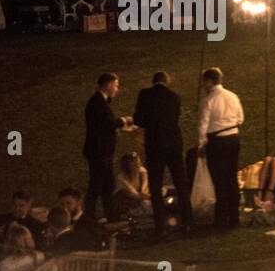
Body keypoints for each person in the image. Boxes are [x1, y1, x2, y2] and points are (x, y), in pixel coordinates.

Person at [132, 71, 193, 236]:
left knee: (155, 185)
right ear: (167, 82)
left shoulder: (145, 95)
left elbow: (139, 120)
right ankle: (188, 222)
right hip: (173, 143)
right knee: (181, 183)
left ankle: (160, 226)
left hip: (155, 144)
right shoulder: (175, 97)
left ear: (154, 82)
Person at [197, 67, 244, 229]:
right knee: (231, 177)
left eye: (204, 81)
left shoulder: (208, 100)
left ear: (210, 80)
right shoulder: (232, 96)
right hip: (233, 137)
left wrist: (201, 144)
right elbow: (240, 118)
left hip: (217, 140)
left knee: (219, 179)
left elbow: (203, 124)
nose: (203, 84)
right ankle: (234, 215)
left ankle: (221, 217)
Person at [82, 72, 132, 222]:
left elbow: (103, 125)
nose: (117, 89)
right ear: (109, 85)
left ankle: (110, 216)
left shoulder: (99, 102)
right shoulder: (98, 103)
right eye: (116, 85)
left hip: (103, 152)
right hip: (99, 152)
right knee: (97, 186)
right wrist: (124, 121)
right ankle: (90, 218)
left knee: (107, 185)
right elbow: (108, 122)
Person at [110, 152, 151, 221]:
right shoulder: (121, 178)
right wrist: (154, 197)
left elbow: (144, 189)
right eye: (133, 161)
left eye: (137, 160)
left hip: (140, 198)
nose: (136, 163)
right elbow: (134, 194)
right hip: (127, 202)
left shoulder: (142, 171)